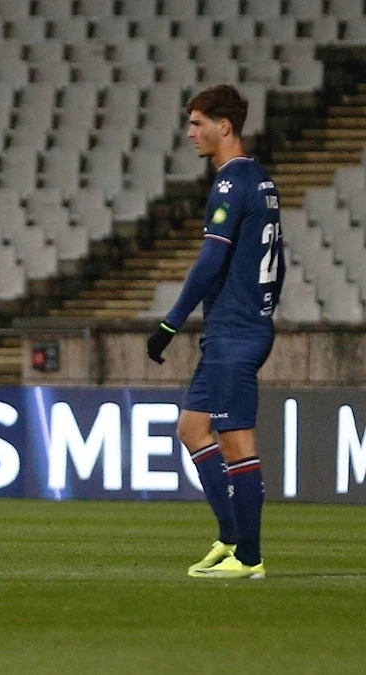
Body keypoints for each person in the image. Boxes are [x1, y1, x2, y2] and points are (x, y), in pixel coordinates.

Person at [145, 84, 284, 580]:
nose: (190, 133)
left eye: (198, 123)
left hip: (234, 332)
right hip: (237, 327)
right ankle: (229, 537)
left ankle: (250, 557)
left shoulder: (230, 183)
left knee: (237, 441)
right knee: (193, 428)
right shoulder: (262, 180)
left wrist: (169, 323)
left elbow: (210, 262)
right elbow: (277, 260)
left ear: (224, 126)